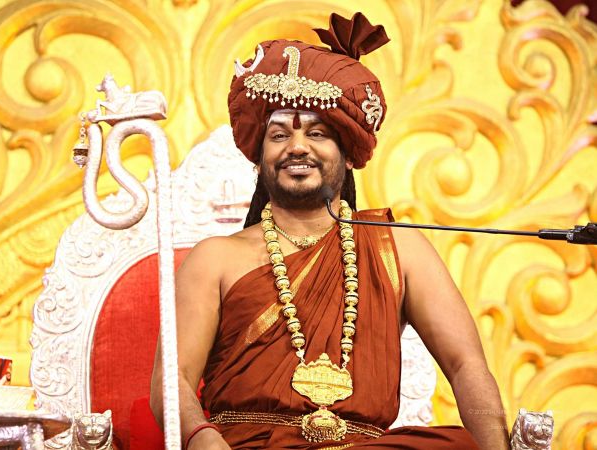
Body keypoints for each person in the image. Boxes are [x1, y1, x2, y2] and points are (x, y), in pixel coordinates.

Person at [151, 12, 509, 450]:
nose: (297, 147)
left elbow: (466, 364)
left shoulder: (400, 250)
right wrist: (202, 439)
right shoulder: (215, 258)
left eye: (317, 133)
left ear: (349, 153)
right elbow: (173, 381)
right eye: (278, 135)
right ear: (260, 156)